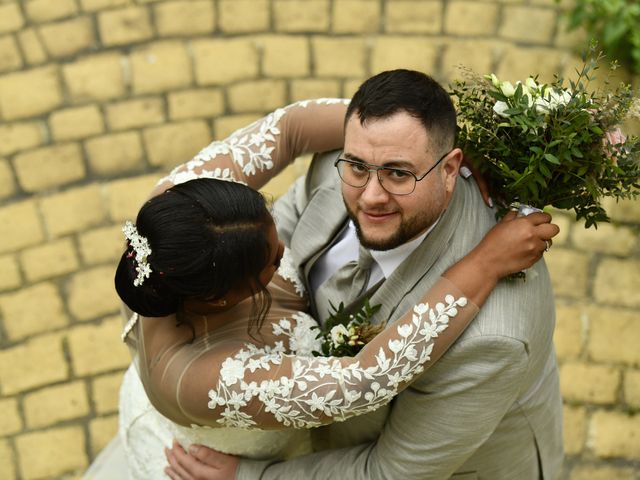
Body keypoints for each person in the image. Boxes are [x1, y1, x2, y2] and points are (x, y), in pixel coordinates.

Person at [163, 70, 564, 480]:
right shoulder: (333, 165)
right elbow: (280, 232)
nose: (371, 196)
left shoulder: (493, 338)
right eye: (357, 167)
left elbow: (390, 472)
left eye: (398, 173)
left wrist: (251, 477)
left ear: (450, 169)